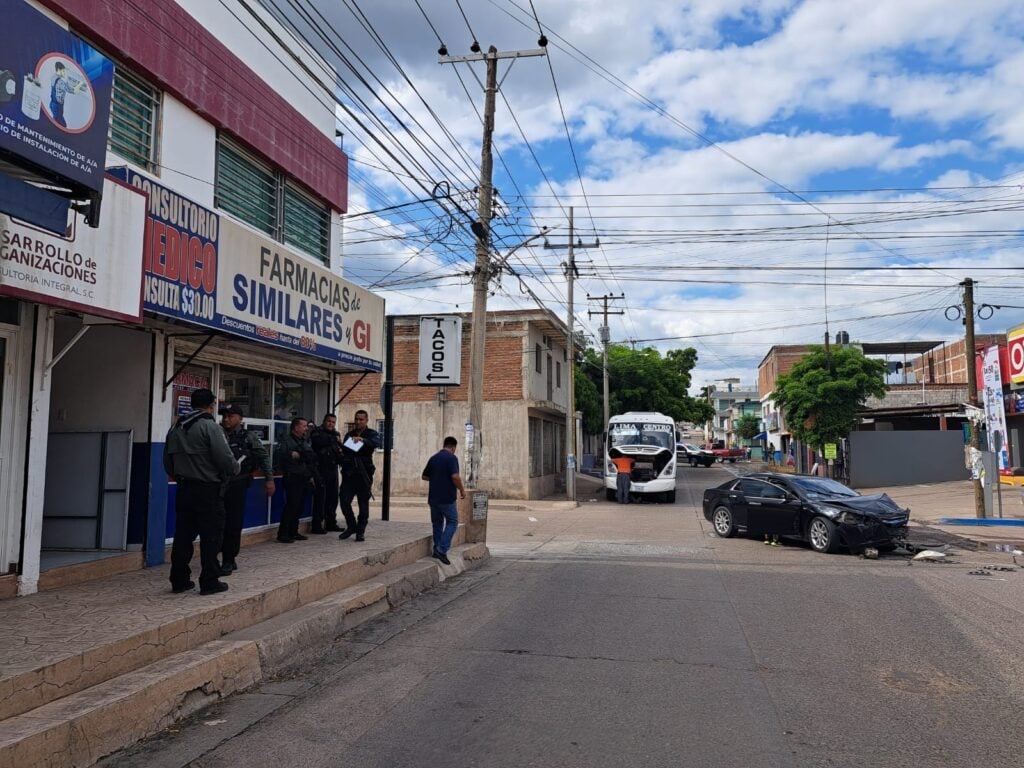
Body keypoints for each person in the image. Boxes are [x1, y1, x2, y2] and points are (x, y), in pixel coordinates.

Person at [164, 388, 239, 596]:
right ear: (211, 404)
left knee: (183, 536)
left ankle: (179, 579)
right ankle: (209, 581)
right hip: (208, 490)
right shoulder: (210, 427)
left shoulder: (176, 427)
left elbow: (167, 463)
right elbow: (226, 460)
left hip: (184, 489)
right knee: (211, 537)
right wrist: (235, 469)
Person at [219, 405, 275, 572]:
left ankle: (229, 558)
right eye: (224, 416)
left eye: (230, 416)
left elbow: (263, 457)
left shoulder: (248, 437)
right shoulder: (216, 434)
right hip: (217, 484)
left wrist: (269, 479)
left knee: (233, 523)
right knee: (216, 523)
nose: (226, 419)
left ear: (240, 418)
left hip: (237, 484)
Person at [338, 409, 382, 542]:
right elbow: (346, 449)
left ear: (366, 420)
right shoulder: (349, 434)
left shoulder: (371, 433)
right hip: (350, 473)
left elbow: (376, 443)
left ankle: (360, 531)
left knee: (363, 504)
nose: (358, 422)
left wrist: (362, 439)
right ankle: (351, 526)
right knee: (344, 501)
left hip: (364, 474)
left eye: (361, 419)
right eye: (356, 419)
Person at [421, 436, 466, 565]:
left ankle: (436, 549)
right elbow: (455, 477)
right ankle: (442, 549)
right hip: (447, 497)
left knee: (437, 523)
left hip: (433, 498)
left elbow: (424, 476)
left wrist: (437, 478)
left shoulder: (434, 458)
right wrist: (462, 490)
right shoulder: (452, 458)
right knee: (452, 521)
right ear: (453, 447)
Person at [274, 416, 318, 543]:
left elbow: (311, 456)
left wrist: (301, 456)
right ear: (296, 427)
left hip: (303, 477)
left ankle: (293, 531)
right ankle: (283, 533)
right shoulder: (286, 441)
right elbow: (280, 456)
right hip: (292, 477)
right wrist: (292, 455)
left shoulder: (303, 441)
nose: (306, 428)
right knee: (291, 505)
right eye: (304, 426)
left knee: (299, 506)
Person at [309, 413, 344, 534]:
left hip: (333, 469)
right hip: (320, 470)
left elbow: (340, 450)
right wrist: (334, 439)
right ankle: (317, 525)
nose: (331, 424)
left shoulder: (336, 434)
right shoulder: (316, 432)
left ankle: (331, 523)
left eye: (333, 422)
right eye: (329, 421)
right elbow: (319, 441)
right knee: (320, 499)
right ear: (324, 421)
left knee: (333, 498)